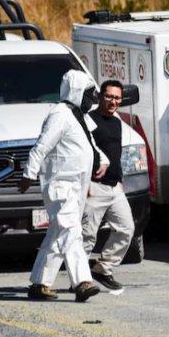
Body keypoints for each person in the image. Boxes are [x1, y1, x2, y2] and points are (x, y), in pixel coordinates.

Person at [18, 70, 108, 302]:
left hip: (76, 188)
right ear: (77, 91)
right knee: (71, 231)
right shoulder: (60, 114)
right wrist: (29, 173)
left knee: (57, 235)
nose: (93, 98)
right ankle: (82, 283)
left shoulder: (79, 116)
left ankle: (40, 284)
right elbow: (41, 146)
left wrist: (103, 160)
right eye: (90, 93)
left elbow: (89, 144)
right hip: (60, 187)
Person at [82, 80, 136, 291]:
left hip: (114, 187)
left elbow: (116, 152)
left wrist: (120, 179)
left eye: (117, 98)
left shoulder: (116, 121)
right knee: (87, 235)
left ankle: (103, 268)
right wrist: (85, 181)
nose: (113, 101)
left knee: (126, 229)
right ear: (99, 96)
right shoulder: (89, 120)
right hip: (94, 187)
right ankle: (80, 280)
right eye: (109, 96)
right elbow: (85, 152)